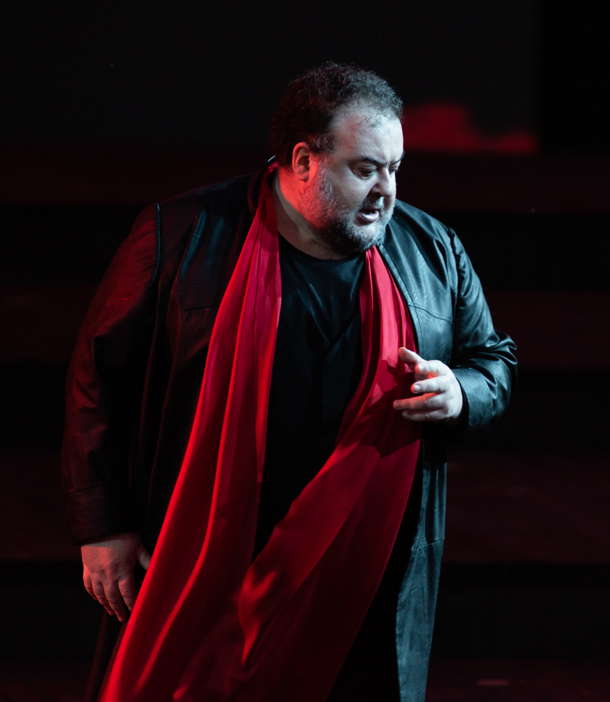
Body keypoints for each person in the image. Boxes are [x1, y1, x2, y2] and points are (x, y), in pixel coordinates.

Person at [61, 61, 516, 701]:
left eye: (394, 168)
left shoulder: (431, 248)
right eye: (365, 169)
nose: (386, 190)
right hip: (210, 553)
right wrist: (100, 526)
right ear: (302, 160)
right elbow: (97, 384)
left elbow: (494, 361)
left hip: (362, 565)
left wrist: (461, 390)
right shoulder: (181, 235)